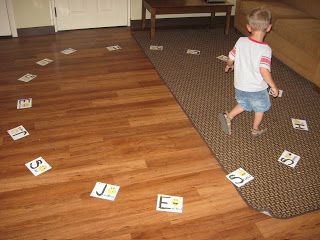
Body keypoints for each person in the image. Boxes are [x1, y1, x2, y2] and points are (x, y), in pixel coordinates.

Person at [219, 7, 279, 137]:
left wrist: (229, 65)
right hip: (257, 88)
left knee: (244, 103)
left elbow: (230, 58)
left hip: (240, 85)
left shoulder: (241, 41)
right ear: (269, 27)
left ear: (249, 27)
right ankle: (255, 129)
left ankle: (228, 116)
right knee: (260, 108)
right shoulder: (265, 49)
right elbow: (264, 70)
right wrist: (273, 85)